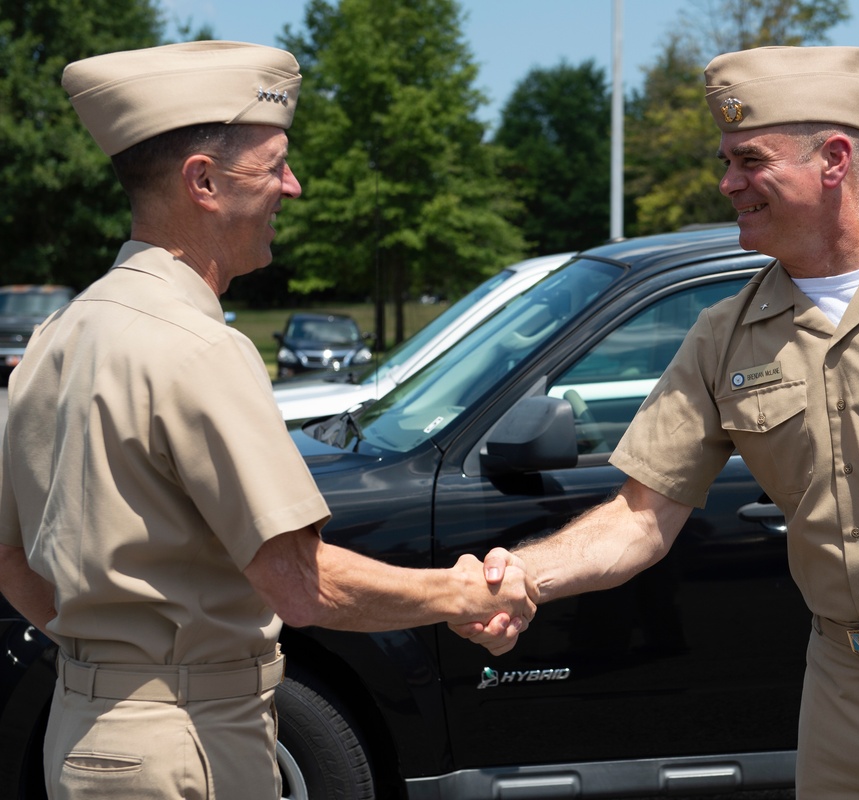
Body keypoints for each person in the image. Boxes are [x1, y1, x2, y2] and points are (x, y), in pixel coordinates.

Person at [457, 45, 859, 799]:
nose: (727, 183)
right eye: (726, 160)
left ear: (834, 159)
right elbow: (640, 519)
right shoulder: (725, 334)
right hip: (839, 691)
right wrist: (520, 578)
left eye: (749, 160)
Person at [0, 41, 534, 800]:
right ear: (204, 181)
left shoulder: (59, 337)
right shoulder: (198, 348)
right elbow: (298, 583)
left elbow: (13, 562)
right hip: (186, 742)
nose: (295, 186)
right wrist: (464, 596)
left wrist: (116, 657)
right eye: (275, 163)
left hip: (89, 734)